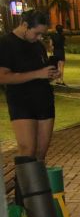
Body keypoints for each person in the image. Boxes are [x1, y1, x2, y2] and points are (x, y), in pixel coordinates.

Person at [0, 10, 58, 161]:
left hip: (44, 101)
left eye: (42, 34)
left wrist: (50, 75)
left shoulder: (37, 45)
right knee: (27, 151)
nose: (39, 37)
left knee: (40, 153)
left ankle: (37, 185)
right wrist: (38, 74)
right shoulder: (6, 43)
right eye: (37, 33)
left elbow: (42, 72)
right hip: (21, 103)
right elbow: (3, 77)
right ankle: (23, 185)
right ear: (25, 25)